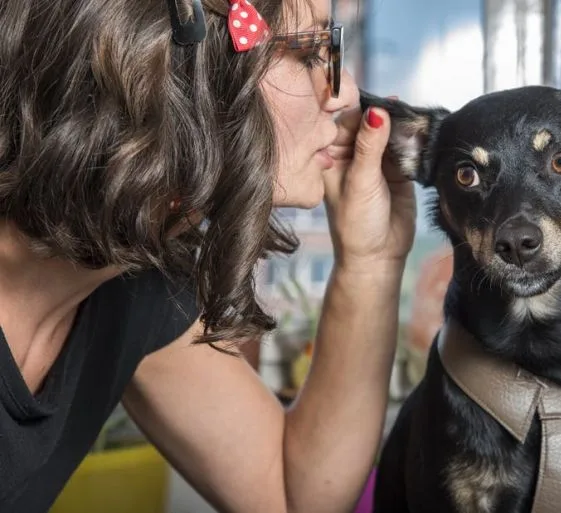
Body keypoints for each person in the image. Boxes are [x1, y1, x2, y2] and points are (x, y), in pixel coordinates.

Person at [0, 0, 415, 511]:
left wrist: (371, 262)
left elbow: (292, 495)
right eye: (311, 52)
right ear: (178, 66)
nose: (345, 92)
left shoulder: (135, 282)